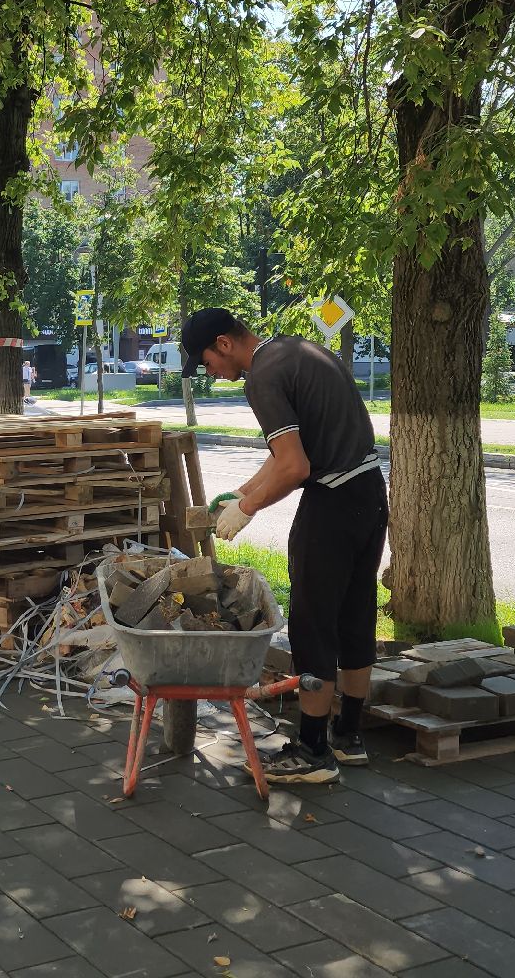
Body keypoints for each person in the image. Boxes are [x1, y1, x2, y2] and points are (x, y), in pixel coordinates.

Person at [181, 308, 387, 784]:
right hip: (369, 493)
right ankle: (348, 735)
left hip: (331, 503)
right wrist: (241, 494)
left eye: (207, 361)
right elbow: (287, 457)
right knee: (356, 615)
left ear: (225, 343)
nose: (212, 372)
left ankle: (313, 752)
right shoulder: (300, 351)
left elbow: (295, 468)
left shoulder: (262, 377)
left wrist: (249, 510)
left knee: (314, 625)